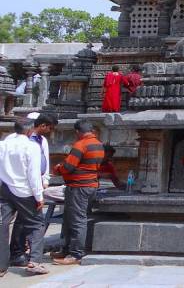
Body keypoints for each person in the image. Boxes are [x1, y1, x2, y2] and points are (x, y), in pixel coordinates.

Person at [52, 120, 105, 265]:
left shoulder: (80, 145)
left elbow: (68, 167)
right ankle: (67, 249)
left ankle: (76, 254)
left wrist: (57, 168)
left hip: (79, 187)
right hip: (90, 185)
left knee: (77, 220)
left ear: (77, 132)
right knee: (72, 218)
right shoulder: (99, 144)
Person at [9, 112, 57, 267]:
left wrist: (45, 180)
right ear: (41, 125)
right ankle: (18, 253)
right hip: (19, 185)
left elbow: (45, 160)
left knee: (25, 221)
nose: (50, 131)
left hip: (34, 184)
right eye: (49, 127)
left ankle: (22, 251)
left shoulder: (41, 141)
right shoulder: (18, 141)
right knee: (24, 222)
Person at [0, 118, 48, 276]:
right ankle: (34, 261)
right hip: (25, 191)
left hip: (5, 188)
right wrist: (39, 196)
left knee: (3, 225)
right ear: (30, 131)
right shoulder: (31, 146)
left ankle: (1, 265)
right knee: (37, 224)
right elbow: (33, 174)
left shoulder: (4, 143)